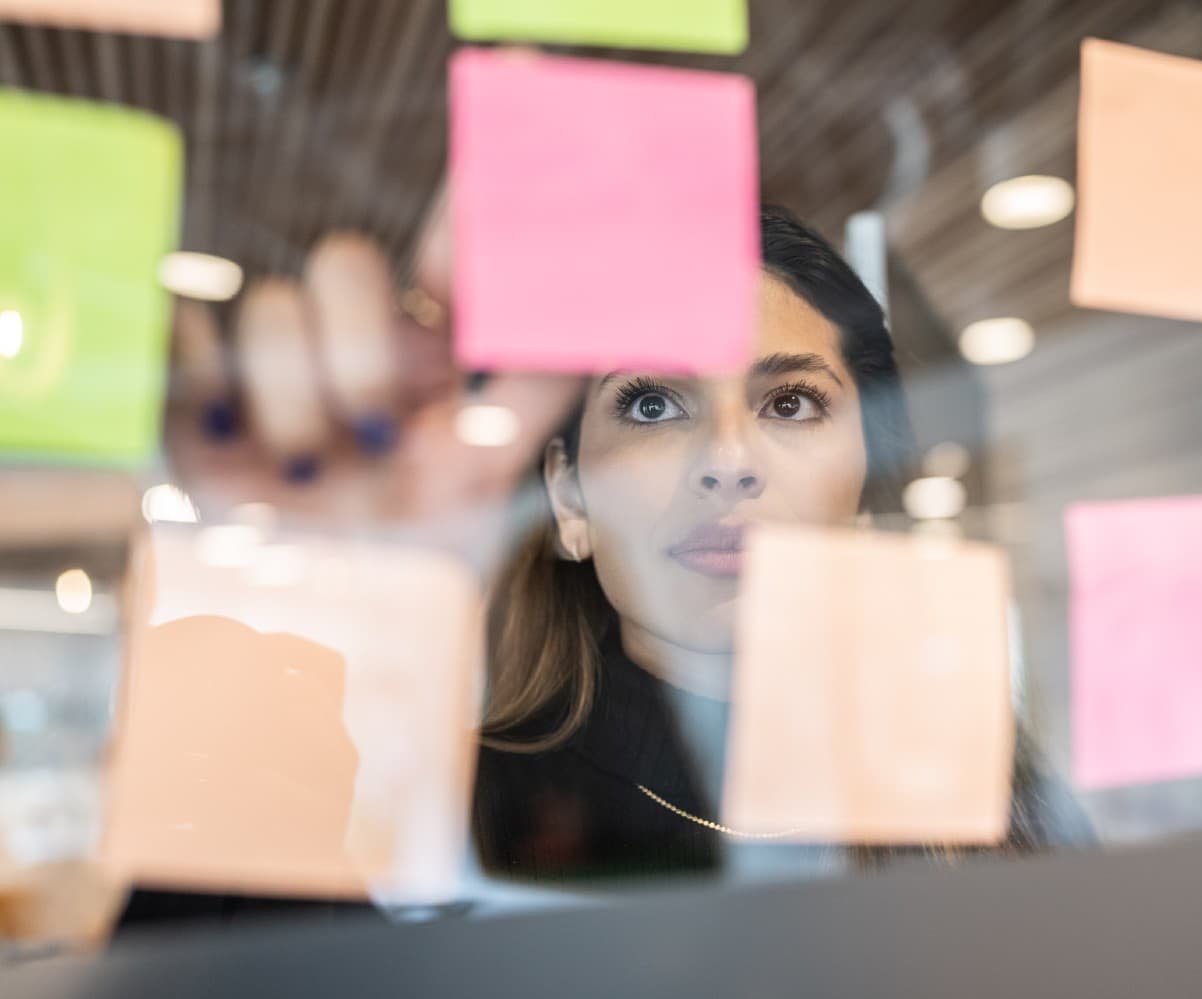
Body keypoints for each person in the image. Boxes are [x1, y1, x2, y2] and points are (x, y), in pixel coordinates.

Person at [120, 205, 1085, 927]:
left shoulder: (986, 793)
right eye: (655, 405)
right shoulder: (442, 818)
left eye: (790, 404)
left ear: (868, 476)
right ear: (569, 501)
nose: (729, 459)